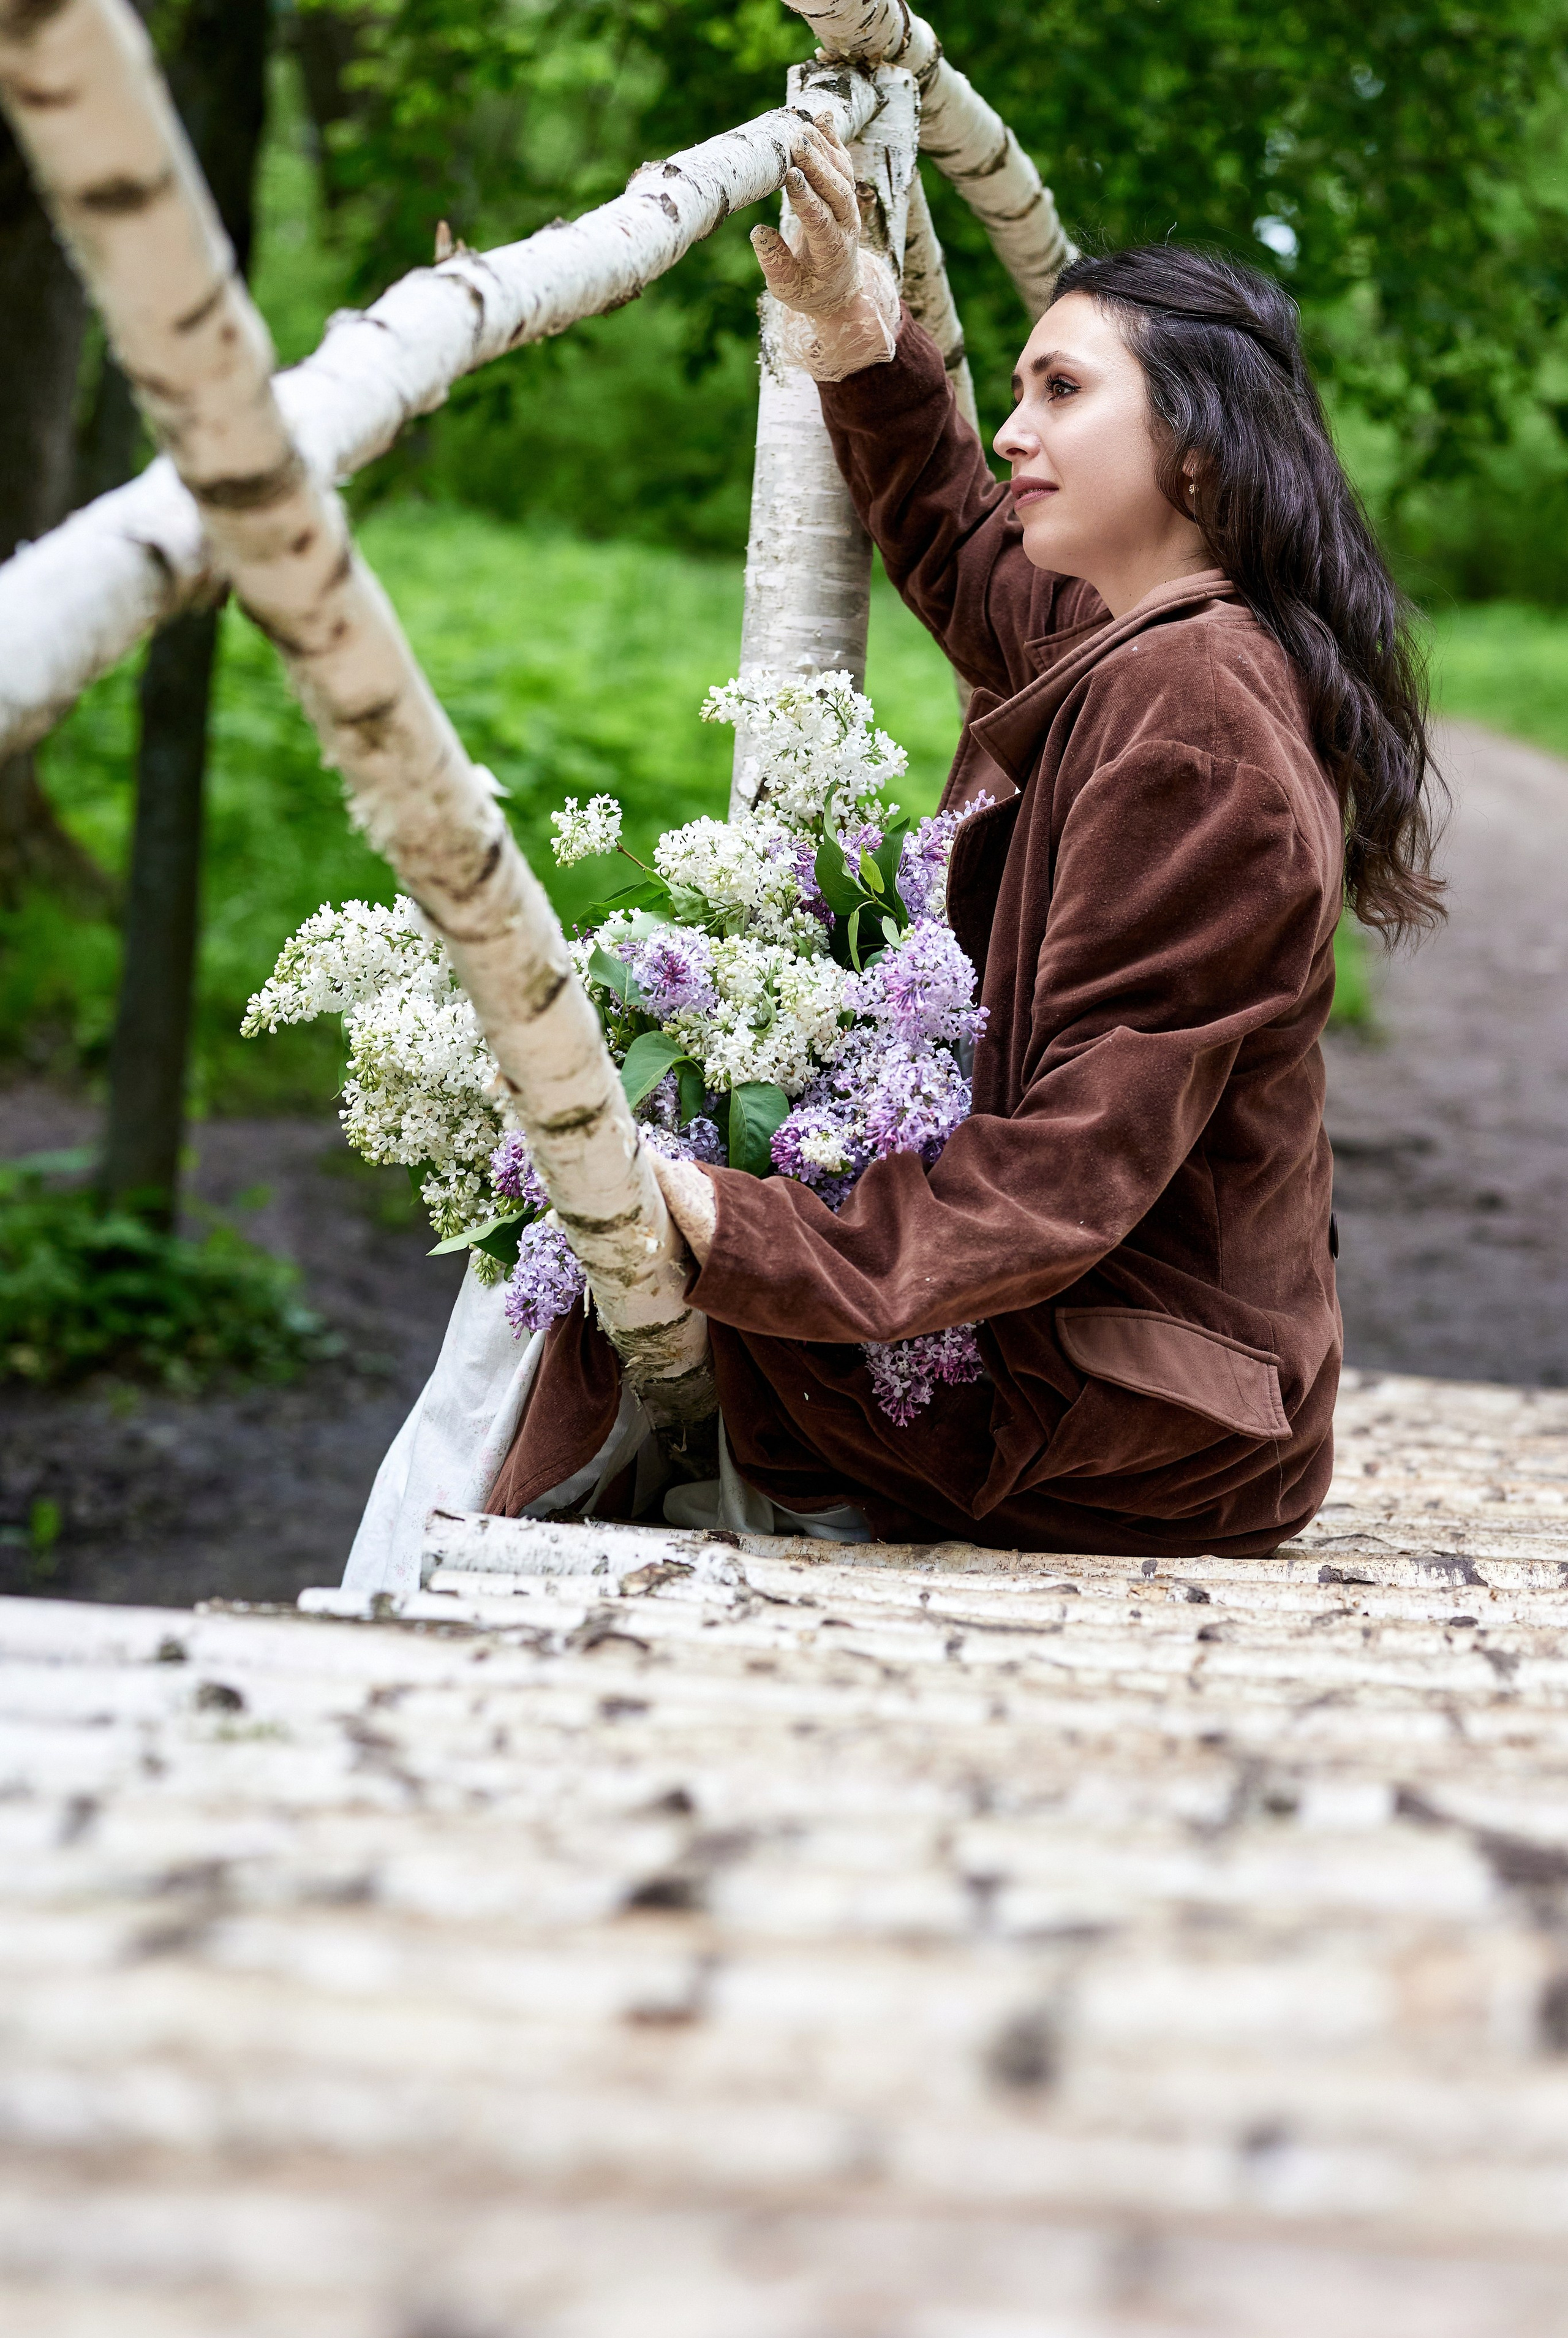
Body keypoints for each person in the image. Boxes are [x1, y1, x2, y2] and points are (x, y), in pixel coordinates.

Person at [484, 121, 1444, 1560]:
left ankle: (491, 1627)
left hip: (1137, 1419)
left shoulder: (1193, 716)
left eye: (1061, 391)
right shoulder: (1152, 635)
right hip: (1138, 1363)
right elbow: (964, 554)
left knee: (601, 1267)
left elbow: (1075, 1157)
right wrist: (864, 344)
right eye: (1014, 392)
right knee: (605, 1237)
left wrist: (746, 1230)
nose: (1013, 433)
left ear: (1194, 448)